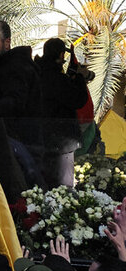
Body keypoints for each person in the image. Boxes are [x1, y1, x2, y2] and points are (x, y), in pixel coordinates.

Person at [0, 20, 45, 189]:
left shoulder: (15, 67)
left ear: (7, 42)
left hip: (21, 145)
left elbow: (15, 103)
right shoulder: (5, 66)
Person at [35, 38, 89, 188]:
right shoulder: (58, 79)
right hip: (62, 142)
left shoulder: (37, 75)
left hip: (40, 140)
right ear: (60, 55)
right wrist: (79, 78)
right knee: (62, 188)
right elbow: (78, 100)